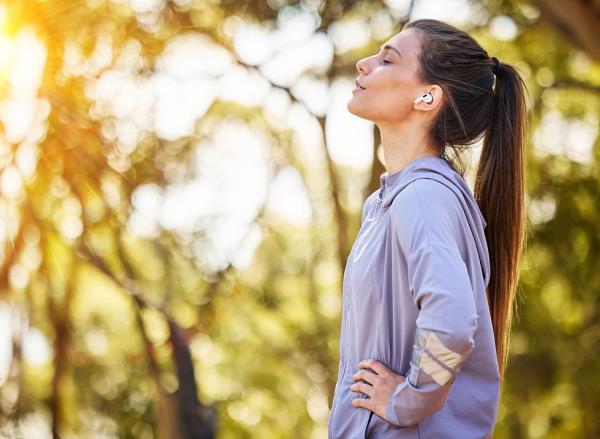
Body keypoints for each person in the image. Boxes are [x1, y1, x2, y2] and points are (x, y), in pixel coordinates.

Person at [328, 18, 529, 438]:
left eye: (387, 59)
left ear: (427, 97)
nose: (364, 65)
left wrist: (408, 400)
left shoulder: (423, 194)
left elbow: (452, 321)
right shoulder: (388, 201)